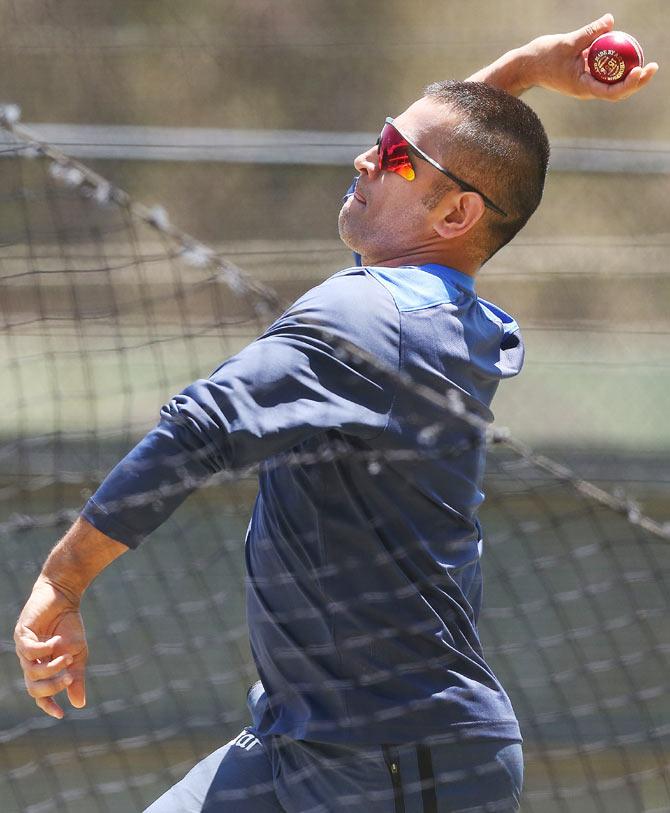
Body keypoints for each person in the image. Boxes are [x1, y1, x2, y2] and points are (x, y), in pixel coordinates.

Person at [14, 14, 657, 813]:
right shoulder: (416, 300)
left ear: (453, 216)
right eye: (383, 136)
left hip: (404, 764)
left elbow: (198, 428)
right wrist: (520, 71)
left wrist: (61, 580)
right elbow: (456, 171)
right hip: (298, 746)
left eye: (391, 155)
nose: (366, 156)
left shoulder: (369, 317)